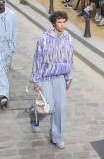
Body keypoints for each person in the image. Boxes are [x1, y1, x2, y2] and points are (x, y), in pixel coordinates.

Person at [30, 11, 74, 150]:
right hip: (45, 77)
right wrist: (36, 82)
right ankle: (34, 114)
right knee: (47, 107)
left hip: (60, 77)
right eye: (59, 22)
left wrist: (69, 77)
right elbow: (37, 60)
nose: (62, 25)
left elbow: (70, 58)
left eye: (63, 22)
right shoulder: (44, 39)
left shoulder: (68, 37)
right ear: (54, 23)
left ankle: (57, 136)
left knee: (60, 108)